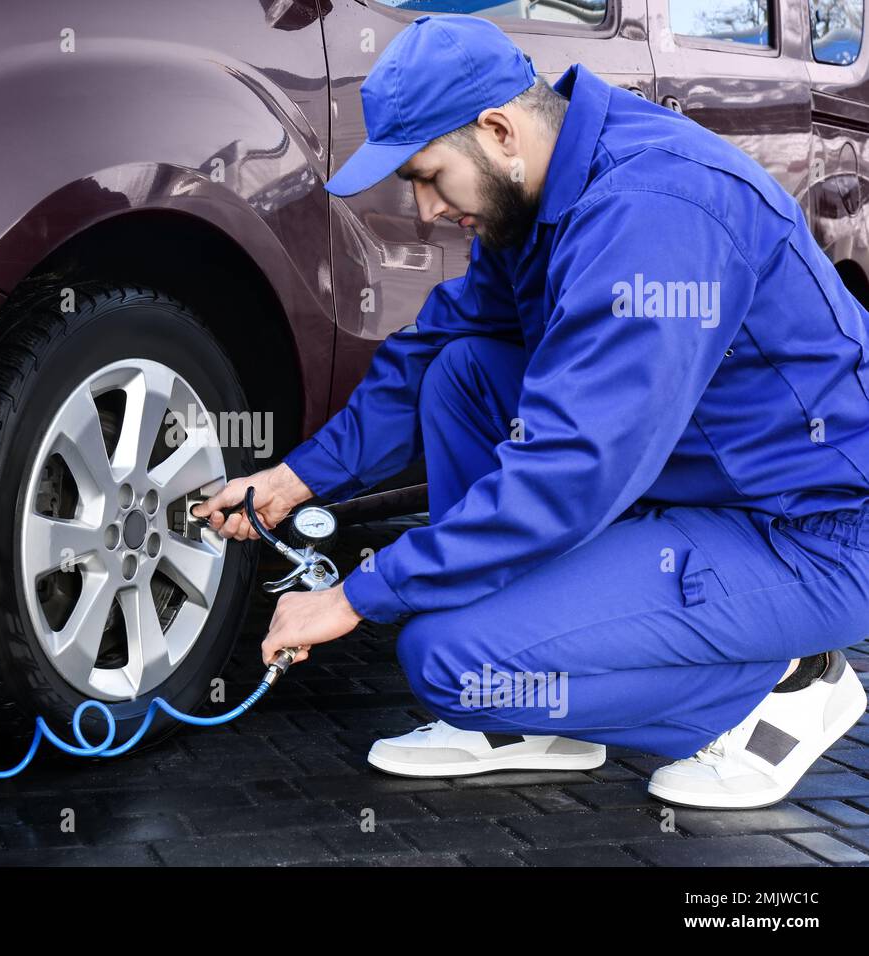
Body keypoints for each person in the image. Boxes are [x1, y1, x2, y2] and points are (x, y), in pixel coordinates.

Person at [190, 14, 869, 810]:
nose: (424, 211)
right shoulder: (541, 190)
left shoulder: (652, 215)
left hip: (805, 535)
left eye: (428, 176)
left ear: (499, 130)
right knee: (463, 373)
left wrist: (355, 595)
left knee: (449, 661)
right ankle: (536, 714)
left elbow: (568, 472)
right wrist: (295, 480)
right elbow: (435, 344)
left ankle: (785, 685)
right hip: (693, 484)